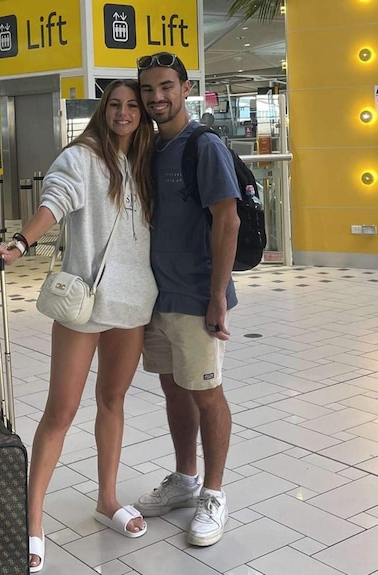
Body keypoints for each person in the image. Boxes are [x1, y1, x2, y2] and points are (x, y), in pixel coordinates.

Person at [0, 79, 157, 572]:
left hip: (134, 301)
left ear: (142, 114)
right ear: (103, 110)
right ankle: (32, 521)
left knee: (113, 401)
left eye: (132, 106)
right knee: (61, 411)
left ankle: (106, 499)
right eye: (115, 105)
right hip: (85, 302)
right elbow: (53, 203)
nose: (123, 113)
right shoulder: (80, 158)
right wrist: (17, 244)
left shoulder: (145, 161)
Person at [135, 52, 240, 547]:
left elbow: (228, 220)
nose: (157, 97)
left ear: (185, 87)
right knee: (174, 389)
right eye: (149, 89)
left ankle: (214, 494)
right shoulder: (149, 149)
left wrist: (217, 296)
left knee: (205, 392)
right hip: (154, 296)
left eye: (166, 87)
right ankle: (185, 480)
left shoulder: (205, 146)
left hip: (196, 295)